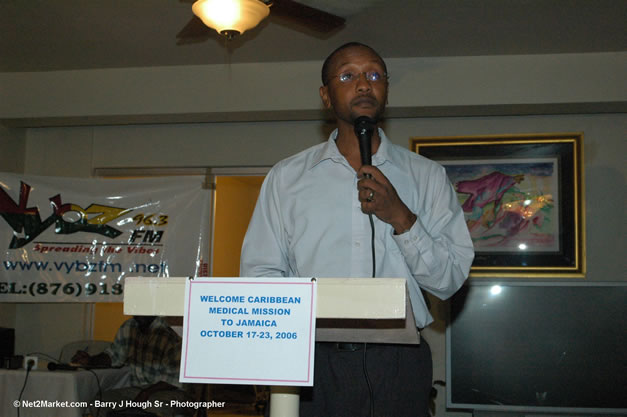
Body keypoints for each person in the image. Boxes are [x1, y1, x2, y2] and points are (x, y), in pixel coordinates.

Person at [240, 42, 474, 417]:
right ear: (326, 96)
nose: (364, 84)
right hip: (313, 363)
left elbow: (448, 281)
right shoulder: (287, 178)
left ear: (385, 91)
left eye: (375, 75)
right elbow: (261, 274)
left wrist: (401, 217)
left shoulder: (426, 176)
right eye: (348, 75)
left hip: (399, 363)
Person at [71, 316, 194, 417]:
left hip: (171, 392)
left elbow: (173, 380)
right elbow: (113, 356)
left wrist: (146, 393)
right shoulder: (129, 326)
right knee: (100, 403)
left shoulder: (168, 335)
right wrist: (90, 360)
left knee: (153, 406)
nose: (138, 313)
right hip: (137, 389)